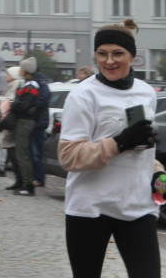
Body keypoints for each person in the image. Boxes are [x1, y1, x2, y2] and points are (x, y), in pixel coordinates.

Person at [58, 19, 164, 278]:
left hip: (137, 207)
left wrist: (158, 174)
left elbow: (144, 150)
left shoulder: (146, 92)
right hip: (90, 208)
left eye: (118, 53)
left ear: (132, 56)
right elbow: (68, 156)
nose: (109, 61)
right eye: (102, 54)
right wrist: (119, 143)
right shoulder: (84, 95)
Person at [8, 57, 47, 195]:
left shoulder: (31, 86)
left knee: (23, 153)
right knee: (22, 152)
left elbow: (25, 105)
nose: (20, 70)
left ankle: (28, 185)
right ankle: (25, 183)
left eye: (22, 68)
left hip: (25, 121)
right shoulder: (28, 84)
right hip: (24, 120)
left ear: (26, 70)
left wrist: (12, 104)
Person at [0, 65, 22, 179]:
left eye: (8, 74)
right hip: (3, 116)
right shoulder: (10, 85)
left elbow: (10, 100)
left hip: (7, 119)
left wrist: (0, 100)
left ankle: (1, 167)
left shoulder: (16, 85)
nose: (6, 76)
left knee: (5, 145)